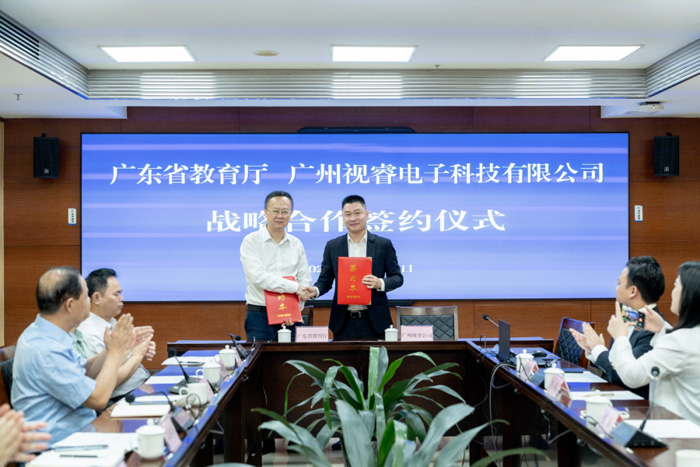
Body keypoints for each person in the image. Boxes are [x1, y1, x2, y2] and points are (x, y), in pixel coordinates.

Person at [11, 266, 146, 443]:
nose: (89, 302)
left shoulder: (49, 333)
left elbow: (84, 370)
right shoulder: (46, 348)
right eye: (86, 297)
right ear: (70, 305)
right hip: (60, 446)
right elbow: (98, 399)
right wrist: (115, 353)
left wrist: (109, 349)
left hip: (81, 433)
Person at [608, 261, 700, 426]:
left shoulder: (678, 342)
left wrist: (621, 337)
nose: (672, 292)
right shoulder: (688, 336)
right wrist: (663, 329)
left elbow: (632, 376)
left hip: (678, 432)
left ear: (689, 294)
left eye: (676, 285)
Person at [307, 195, 403, 340]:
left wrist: (380, 283)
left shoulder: (383, 244)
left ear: (367, 214)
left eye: (357, 213)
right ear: (342, 217)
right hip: (343, 321)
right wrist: (315, 290)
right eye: (348, 214)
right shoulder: (333, 246)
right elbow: (325, 280)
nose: (353, 218)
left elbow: (397, 277)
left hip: (375, 321)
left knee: (376, 356)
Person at [570, 256, 665, 398]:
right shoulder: (627, 316)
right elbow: (615, 365)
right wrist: (593, 348)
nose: (616, 288)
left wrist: (598, 349)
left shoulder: (655, 330)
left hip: (635, 405)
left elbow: (623, 377)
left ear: (632, 291)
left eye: (619, 283)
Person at [240, 191, 312, 342]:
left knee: (291, 357)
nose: (280, 216)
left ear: (291, 214)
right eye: (275, 211)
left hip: (291, 318)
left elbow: (304, 278)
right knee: (259, 357)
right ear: (265, 213)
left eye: (285, 212)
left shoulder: (296, 244)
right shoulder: (251, 241)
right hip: (260, 316)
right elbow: (258, 277)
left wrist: (296, 309)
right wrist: (295, 287)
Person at [76, 268, 156, 401]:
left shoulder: (111, 322)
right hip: (123, 397)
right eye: (116, 294)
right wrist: (137, 355)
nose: (122, 298)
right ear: (96, 298)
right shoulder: (89, 332)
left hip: (142, 384)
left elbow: (121, 359)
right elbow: (108, 381)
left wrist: (134, 348)